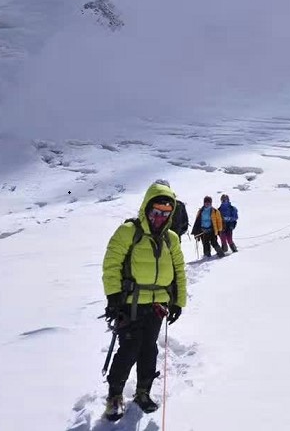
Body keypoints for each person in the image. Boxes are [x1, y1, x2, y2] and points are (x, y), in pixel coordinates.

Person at [101, 180, 187, 421]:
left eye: (166, 213)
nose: (160, 217)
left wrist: (179, 301)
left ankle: (143, 392)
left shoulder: (171, 238)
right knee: (129, 349)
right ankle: (115, 397)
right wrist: (113, 297)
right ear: (147, 208)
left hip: (158, 303)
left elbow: (179, 270)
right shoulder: (129, 231)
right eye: (156, 211)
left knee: (149, 348)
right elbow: (111, 264)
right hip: (130, 302)